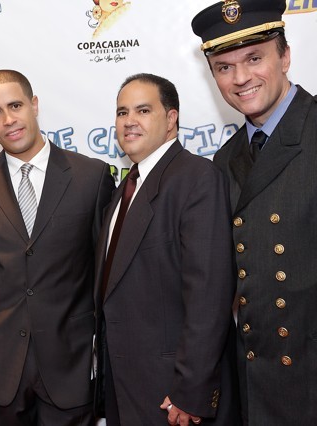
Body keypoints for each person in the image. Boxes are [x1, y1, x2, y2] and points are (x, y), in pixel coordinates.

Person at [0, 69, 115, 425]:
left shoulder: (91, 176)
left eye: (15, 106)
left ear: (34, 105)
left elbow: (105, 277)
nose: (8, 120)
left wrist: (105, 355)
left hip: (71, 362)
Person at [192, 0, 317, 423]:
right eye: (224, 67)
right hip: (258, 388)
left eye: (254, 59)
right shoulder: (225, 160)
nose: (241, 78)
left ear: (285, 56)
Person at [93, 74, 239, 426]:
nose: (129, 121)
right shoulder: (125, 189)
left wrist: (192, 390)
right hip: (126, 387)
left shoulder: (197, 178)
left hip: (173, 395)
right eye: (122, 112)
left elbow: (209, 295)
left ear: (171, 118)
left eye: (143, 110)